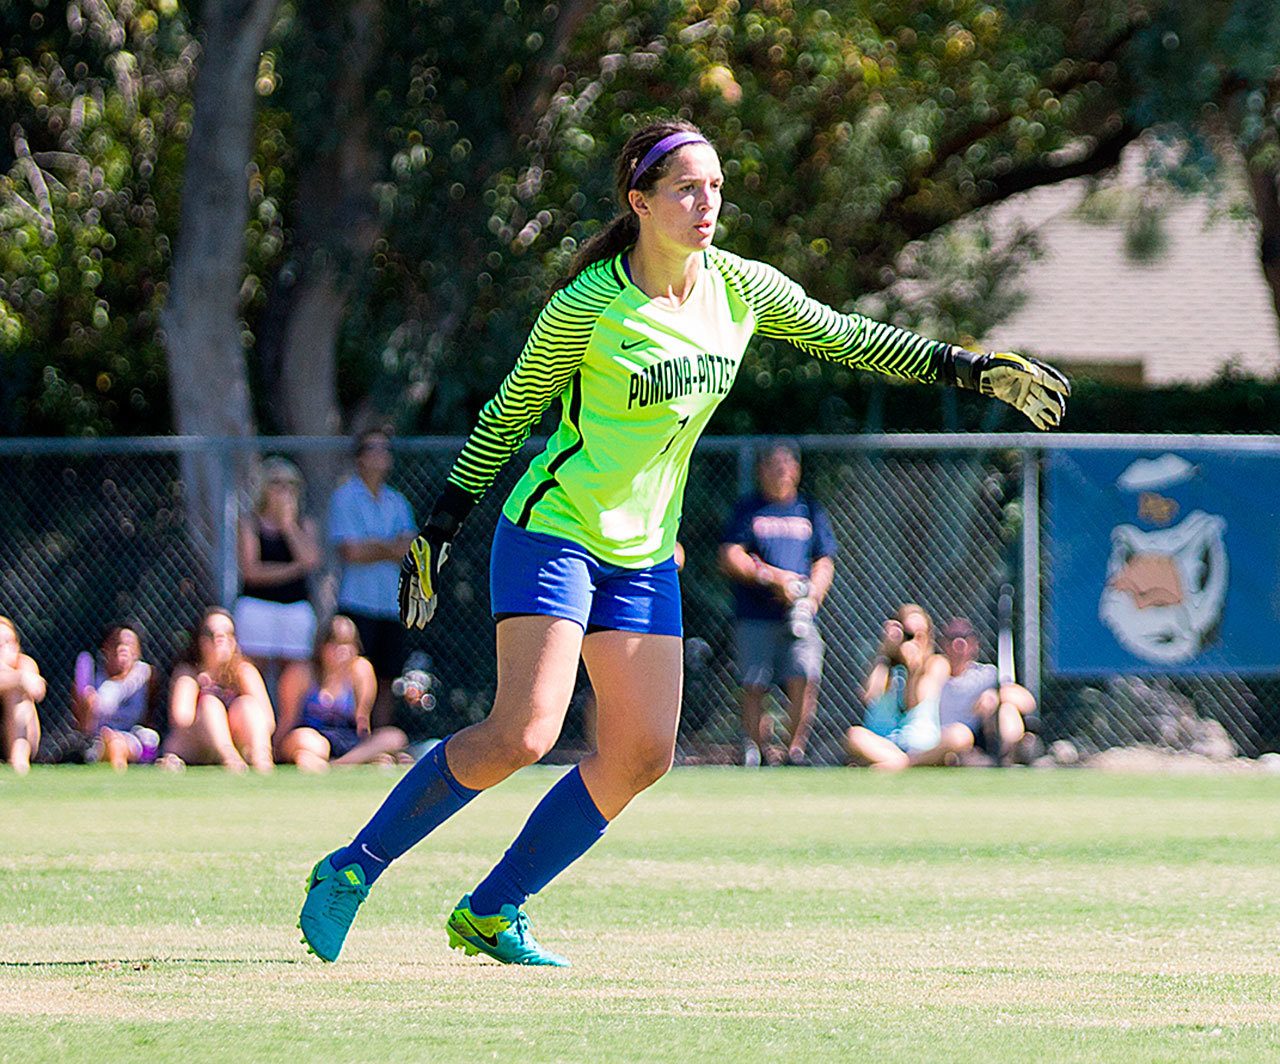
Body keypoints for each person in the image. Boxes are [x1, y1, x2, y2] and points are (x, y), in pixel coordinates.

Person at [298, 117, 1068, 968]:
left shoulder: (740, 290)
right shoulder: (587, 305)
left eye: (716, 189)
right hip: (553, 530)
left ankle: (493, 909)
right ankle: (351, 868)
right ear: (640, 202)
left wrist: (966, 368)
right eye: (688, 189)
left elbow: (850, 336)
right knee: (523, 732)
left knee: (640, 754)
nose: (708, 204)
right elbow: (510, 415)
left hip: (641, 554)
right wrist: (436, 533)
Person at [719, 441, 835, 766]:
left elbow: (824, 560)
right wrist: (772, 579)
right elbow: (730, 555)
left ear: (797, 470)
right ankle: (756, 752)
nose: (782, 471)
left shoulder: (809, 510)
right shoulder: (749, 509)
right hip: (756, 614)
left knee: (805, 675)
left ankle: (793, 751)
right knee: (754, 683)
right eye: (774, 464)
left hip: (799, 615)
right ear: (761, 470)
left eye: (787, 464)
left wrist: (810, 597)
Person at [327, 430, 417, 728]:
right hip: (358, 601)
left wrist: (376, 546)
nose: (380, 455)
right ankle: (355, 734)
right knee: (355, 670)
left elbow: (410, 549)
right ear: (360, 457)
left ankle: (381, 739)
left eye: (385, 449)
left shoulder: (398, 502)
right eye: (373, 449)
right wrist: (389, 547)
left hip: (391, 603)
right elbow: (351, 550)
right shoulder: (345, 497)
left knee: (387, 674)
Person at [233, 457, 321, 701]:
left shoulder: (304, 523)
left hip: (295, 607)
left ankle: (287, 730)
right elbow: (251, 571)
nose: (285, 489)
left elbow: (311, 559)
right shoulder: (249, 523)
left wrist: (288, 525)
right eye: (277, 483)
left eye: (291, 484)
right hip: (257, 605)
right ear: (264, 487)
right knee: (252, 670)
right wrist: (295, 568)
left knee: (295, 672)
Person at [275, 614, 408, 772]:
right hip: (314, 737)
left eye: (347, 645)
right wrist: (277, 751)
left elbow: (362, 721)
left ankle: (339, 764)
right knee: (304, 741)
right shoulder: (302, 673)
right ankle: (358, 762)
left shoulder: (361, 670)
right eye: (335, 644)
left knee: (394, 737)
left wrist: (370, 745)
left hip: (348, 739)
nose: (342, 651)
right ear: (321, 647)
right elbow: (288, 719)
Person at [160, 607, 276, 773]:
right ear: (200, 640)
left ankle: (262, 762)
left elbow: (267, 720)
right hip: (199, 745)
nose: (220, 638)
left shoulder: (244, 670)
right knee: (209, 704)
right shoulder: (189, 673)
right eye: (211, 633)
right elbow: (181, 720)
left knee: (247, 705)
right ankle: (230, 759)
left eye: (227, 633)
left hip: (240, 741)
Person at [911, 616, 1037, 766]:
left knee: (1008, 709)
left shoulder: (986, 675)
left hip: (981, 739)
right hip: (943, 740)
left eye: (965, 637)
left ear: (975, 644)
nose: (959, 643)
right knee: (958, 735)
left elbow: (1028, 702)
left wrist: (995, 695)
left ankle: (1011, 757)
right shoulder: (934, 673)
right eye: (952, 638)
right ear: (943, 643)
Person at [845, 605, 950, 771]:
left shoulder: (936, 663)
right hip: (884, 744)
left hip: (921, 746)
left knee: (960, 736)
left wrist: (913, 671)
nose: (913, 641)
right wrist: (885, 653)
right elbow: (869, 694)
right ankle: (898, 762)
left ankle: (904, 763)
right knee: (854, 735)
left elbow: (913, 703)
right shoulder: (883, 664)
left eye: (919, 635)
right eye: (908, 634)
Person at [71, 623, 162, 771]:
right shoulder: (94, 676)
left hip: (133, 738)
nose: (123, 648)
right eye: (117, 643)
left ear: (138, 651)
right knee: (112, 742)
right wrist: (88, 704)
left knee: (118, 744)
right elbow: (84, 728)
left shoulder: (146, 676)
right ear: (105, 648)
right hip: (97, 741)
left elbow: (149, 716)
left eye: (129, 644)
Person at [0, 616, 45, 774]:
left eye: (7, 642)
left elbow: (37, 690)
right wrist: (18, 678)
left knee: (17, 694)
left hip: (18, 736)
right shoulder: (21, 675)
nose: (2, 647)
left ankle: (18, 761)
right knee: (17, 683)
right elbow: (24, 679)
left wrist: (15, 678)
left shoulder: (24, 663)